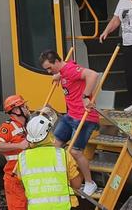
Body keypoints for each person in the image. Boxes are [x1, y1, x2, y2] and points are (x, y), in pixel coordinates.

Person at [39, 50, 99, 196]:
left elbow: (93, 75)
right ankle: (61, 177)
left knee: (75, 151)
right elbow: (64, 74)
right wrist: (58, 75)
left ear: (57, 62)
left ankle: (90, 182)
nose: (48, 72)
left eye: (49, 68)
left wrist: (86, 96)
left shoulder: (70, 70)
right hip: (71, 116)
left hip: (85, 117)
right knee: (55, 146)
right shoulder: (64, 72)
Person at [16, 114, 82, 209]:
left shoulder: (22, 158)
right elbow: (77, 185)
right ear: (48, 134)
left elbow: (24, 184)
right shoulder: (62, 154)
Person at [0, 94, 31, 210]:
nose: (26, 108)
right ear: (15, 110)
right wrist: (19, 145)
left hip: (27, 177)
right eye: (23, 106)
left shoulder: (27, 126)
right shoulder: (8, 127)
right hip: (15, 178)